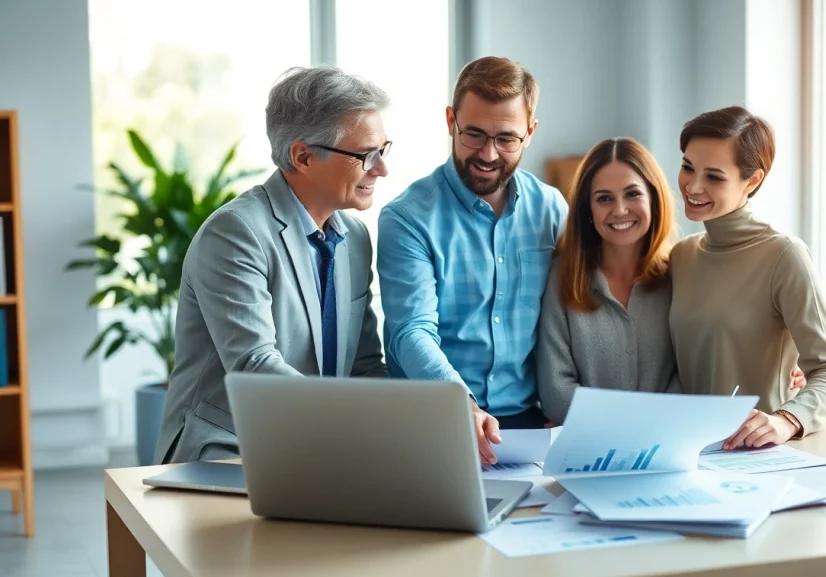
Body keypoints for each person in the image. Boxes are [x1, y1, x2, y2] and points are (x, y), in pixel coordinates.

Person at [154, 66, 392, 464]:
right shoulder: (235, 232)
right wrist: (353, 423)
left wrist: (414, 421)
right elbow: (255, 366)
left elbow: (365, 364)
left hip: (314, 447)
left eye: (384, 150)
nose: (382, 168)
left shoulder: (354, 236)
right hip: (228, 450)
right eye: (366, 155)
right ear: (302, 156)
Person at [376, 56, 568, 463]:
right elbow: (411, 331)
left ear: (530, 133)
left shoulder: (551, 209)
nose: (488, 154)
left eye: (506, 138)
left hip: (529, 423)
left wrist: (568, 403)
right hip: (436, 417)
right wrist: (458, 400)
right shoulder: (407, 218)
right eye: (474, 134)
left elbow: (573, 315)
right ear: (451, 121)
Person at [668, 105, 826, 450]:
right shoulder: (682, 256)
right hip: (688, 450)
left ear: (752, 180)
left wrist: (787, 419)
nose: (692, 185)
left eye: (714, 176)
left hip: (757, 456)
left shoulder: (784, 255)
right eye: (687, 167)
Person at [536, 138, 679, 424]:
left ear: (653, 197)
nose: (620, 210)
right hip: (587, 455)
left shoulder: (678, 274)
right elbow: (557, 394)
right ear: (587, 209)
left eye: (632, 194)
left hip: (667, 446)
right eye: (604, 198)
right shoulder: (562, 276)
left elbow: (688, 375)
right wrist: (634, 422)